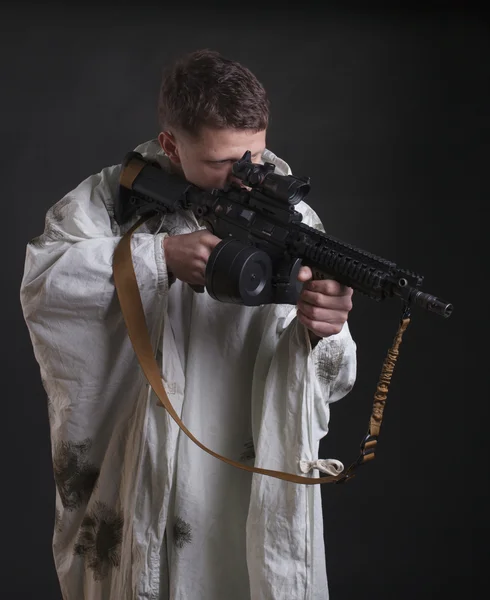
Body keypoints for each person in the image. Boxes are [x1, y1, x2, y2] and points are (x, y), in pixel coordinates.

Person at [20, 49, 357, 600]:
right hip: (136, 462)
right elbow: (44, 285)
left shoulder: (292, 221)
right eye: (225, 163)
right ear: (172, 143)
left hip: (241, 468)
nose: (248, 178)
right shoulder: (107, 201)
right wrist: (159, 258)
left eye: (256, 155)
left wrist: (325, 328)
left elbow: (329, 383)